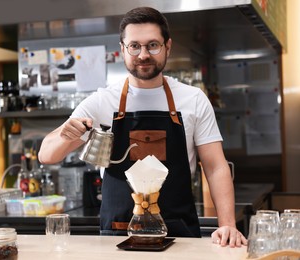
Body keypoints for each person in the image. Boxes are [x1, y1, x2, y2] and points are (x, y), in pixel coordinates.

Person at [39, 6, 247, 247]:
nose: (143, 54)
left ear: (167, 46)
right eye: (134, 46)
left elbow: (215, 166)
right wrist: (67, 135)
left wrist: (228, 225)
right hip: (118, 238)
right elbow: (46, 155)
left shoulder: (193, 99)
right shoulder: (102, 101)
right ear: (122, 50)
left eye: (153, 45)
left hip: (180, 236)